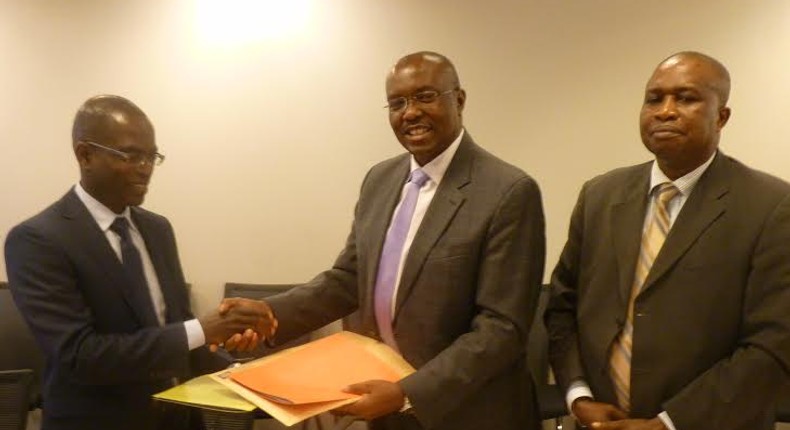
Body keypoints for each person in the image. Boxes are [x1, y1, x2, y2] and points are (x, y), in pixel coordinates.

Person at [226, 51, 546, 430]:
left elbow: (501, 329)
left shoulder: (508, 191)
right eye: (397, 103)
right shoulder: (379, 180)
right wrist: (268, 316)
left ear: (458, 100)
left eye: (425, 96)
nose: (410, 113)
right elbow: (347, 281)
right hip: (386, 412)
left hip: (467, 413)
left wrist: (408, 392)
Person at [545, 51, 790, 430]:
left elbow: (773, 344)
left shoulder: (771, 206)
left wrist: (667, 424)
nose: (665, 111)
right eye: (654, 98)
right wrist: (578, 396)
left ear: (721, 116)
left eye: (686, 98)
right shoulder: (600, 195)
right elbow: (562, 306)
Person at [4, 95, 269, 430]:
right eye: (130, 155)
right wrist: (203, 329)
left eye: (151, 157)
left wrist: (240, 371)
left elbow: (176, 328)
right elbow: (80, 356)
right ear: (85, 154)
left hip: (177, 419)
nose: (145, 169)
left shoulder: (157, 229)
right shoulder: (38, 240)